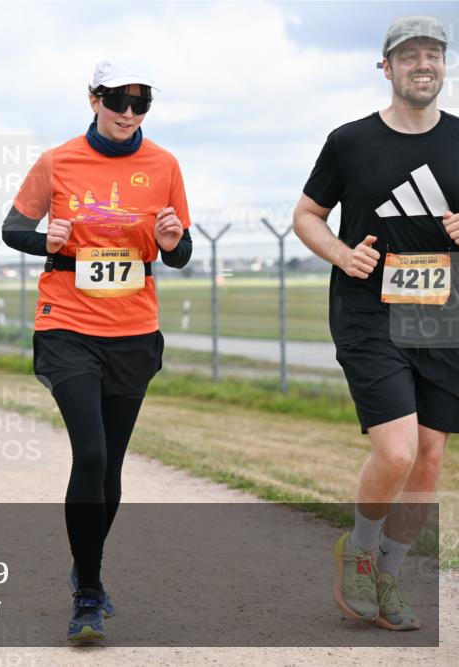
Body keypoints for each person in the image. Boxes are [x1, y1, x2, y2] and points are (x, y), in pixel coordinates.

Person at [1, 59, 192, 641]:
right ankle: (87, 591)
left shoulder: (164, 164)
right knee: (89, 455)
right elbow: (13, 229)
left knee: (110, 465)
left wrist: (171, 241)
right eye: (117, 100)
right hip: (67, 325)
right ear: (93, 99)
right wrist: (45, 240)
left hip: (134, 330)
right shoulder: (57, 161)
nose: (128, 113)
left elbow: (179, 254)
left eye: (141, 104)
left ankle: (87, 569)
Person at [293, 16, 457, 632]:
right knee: (397, 449)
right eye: (409, 55)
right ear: (386, 68)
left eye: (433, 54)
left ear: (444, 66)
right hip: (369, 309)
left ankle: (388, 574)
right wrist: (341, 252)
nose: (423, 64)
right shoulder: (350, 142)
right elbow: (307, 215)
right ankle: (359, 550)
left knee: (432, 458)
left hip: (443, 310)